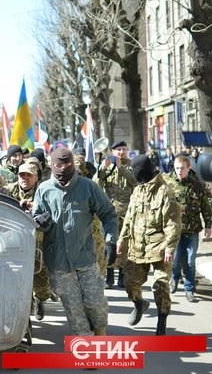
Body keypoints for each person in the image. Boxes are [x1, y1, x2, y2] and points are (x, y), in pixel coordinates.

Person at [32, 147, 118, 336]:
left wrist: (111, 241)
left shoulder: (88, 187)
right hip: (58, 262)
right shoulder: (44, 190)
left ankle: (100, 329)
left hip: (85, 257)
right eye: (58, 165)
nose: (63, 169)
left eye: (67, 164)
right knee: (73, 307)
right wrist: (39, 222)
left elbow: (109, 214)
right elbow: (36, 219)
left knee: (95, 300)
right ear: (51, 165)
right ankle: (86, 344)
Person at [116, 155, 181, 335]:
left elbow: (173, 224)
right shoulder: (137, 190)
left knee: (160, 284)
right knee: (130, 282)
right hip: (138, 246)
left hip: (159, 247)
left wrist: (169, 247)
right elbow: (129, 218)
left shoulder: (164, 192)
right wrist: (122, 239)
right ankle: (139, 304)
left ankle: (162, 320)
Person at [1, 158, 51, 321]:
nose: (24, 178)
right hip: (14, 245)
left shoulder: (43, 191)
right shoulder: (9, 190)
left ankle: (40, 300)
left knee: (41, 281)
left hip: (38, 244)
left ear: (36, 177)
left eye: (28, 175)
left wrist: (33, 206)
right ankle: (25, 316)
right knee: (19, 281)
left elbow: (50, 212)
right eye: (21, 175)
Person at [163, 155, 212, 302]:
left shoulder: (198, 185)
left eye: (182, 168)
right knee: (176, 260)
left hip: (192, 229)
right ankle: (174, 278)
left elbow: (206, 207)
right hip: (174, 230)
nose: (179, 171)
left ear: (188, 168)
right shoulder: (167, 183)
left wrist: (208, 226)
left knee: (190, 261)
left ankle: (189, 289)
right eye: (177, 168)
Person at [94, 140, 136, 289]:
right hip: (109, 214)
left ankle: (122, 277)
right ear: (112, 151)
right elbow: (96, 186)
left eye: (124, 149)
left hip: (127, 213)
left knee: (124, 245)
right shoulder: (106, 166)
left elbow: (136, 182)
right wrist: (102, 170)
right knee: (109, 244)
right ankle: (109, 277)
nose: (121, 152)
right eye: (118, 150)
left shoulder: (132, 165)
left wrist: (121, 169)